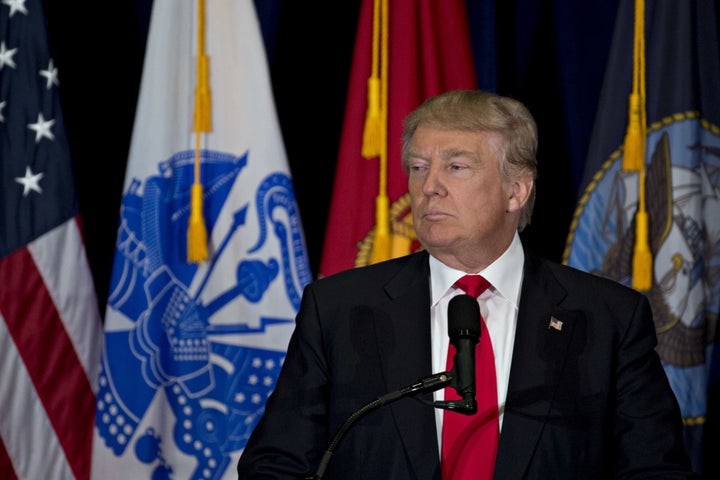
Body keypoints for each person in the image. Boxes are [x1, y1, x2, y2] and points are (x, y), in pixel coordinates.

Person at [236, 90, 697, 479]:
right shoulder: (338, 308)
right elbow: (275, 464)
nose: (429, 186)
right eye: (418, 167)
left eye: (456, 167)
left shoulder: (607, 318)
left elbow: (654, 469)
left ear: (517, 190)